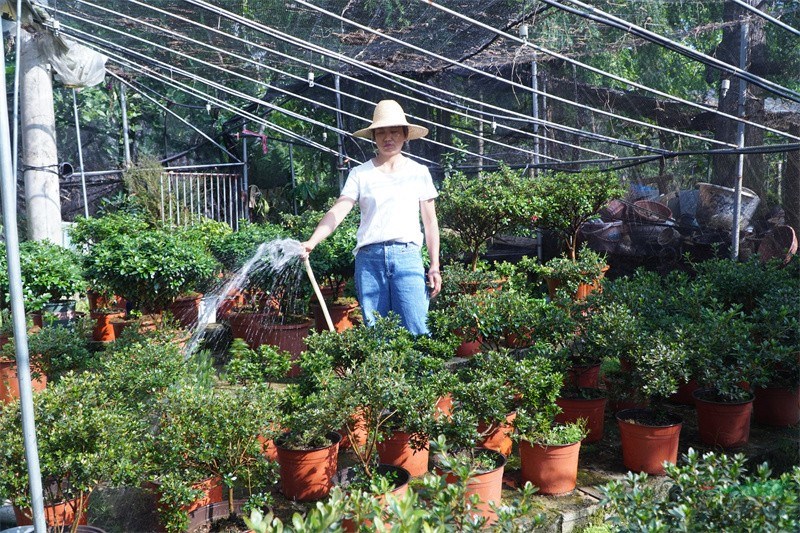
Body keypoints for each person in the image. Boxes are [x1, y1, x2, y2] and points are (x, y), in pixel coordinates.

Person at [302, 99, 441, 335]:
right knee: (377, 334)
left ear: (405, 135)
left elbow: (430, 222)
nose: (388, 138)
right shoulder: (360, 174)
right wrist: (312, 241)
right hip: (369, 261)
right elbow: (339, 210)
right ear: (373, 137)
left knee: (418, 329)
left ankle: (420, 374)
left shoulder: (419, 172)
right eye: (382, 133)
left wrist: (435, 266)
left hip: (407, 257)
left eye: (394, 132)